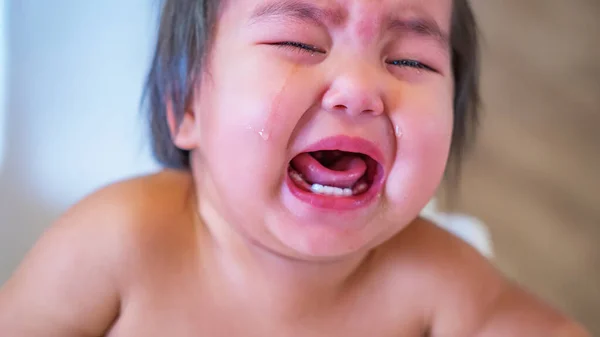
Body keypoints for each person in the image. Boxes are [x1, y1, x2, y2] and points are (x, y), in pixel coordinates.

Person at [0, 0, 590, 335]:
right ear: (185, 105)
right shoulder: (117, 245)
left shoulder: (437, 281)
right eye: (300, 44)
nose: (360, 89)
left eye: (410, 59)